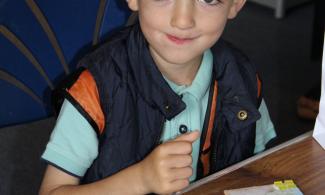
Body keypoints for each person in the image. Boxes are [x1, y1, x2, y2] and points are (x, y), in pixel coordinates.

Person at [39, 0, 276, 194]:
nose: (183, 21)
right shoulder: (96, 88)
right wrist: (140, 179)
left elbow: (262, 168)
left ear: (236, 3)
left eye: (208, 0)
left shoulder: (241, 78)